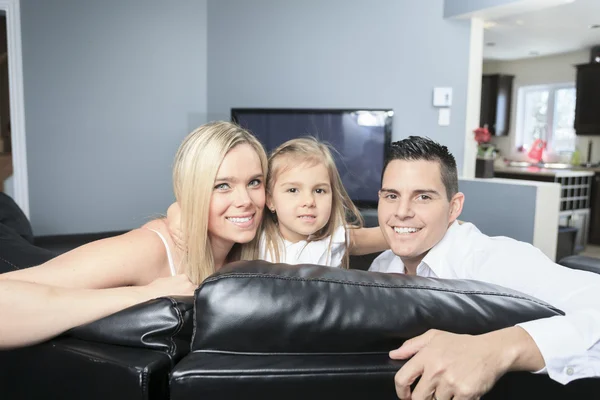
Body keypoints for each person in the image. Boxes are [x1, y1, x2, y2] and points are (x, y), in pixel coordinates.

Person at [368, 136, 600, 400]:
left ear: (454, 207)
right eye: (391, 196)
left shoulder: (494, 260)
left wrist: (496, 349)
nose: (402, 211)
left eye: (422, 197)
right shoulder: (382, 265)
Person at [0, 121, 268, 349]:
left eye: (254, 182)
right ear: (191, 192)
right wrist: (146, 295)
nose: (245, 200)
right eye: (222, 186)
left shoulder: (261, 239)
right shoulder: (149, 250)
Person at [259, 137, 388, 267]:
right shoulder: (258, 242)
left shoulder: (337, 239)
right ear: (270, 200)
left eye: (319, 191)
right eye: (293, 190)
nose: (309, 201)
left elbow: (393, 236)